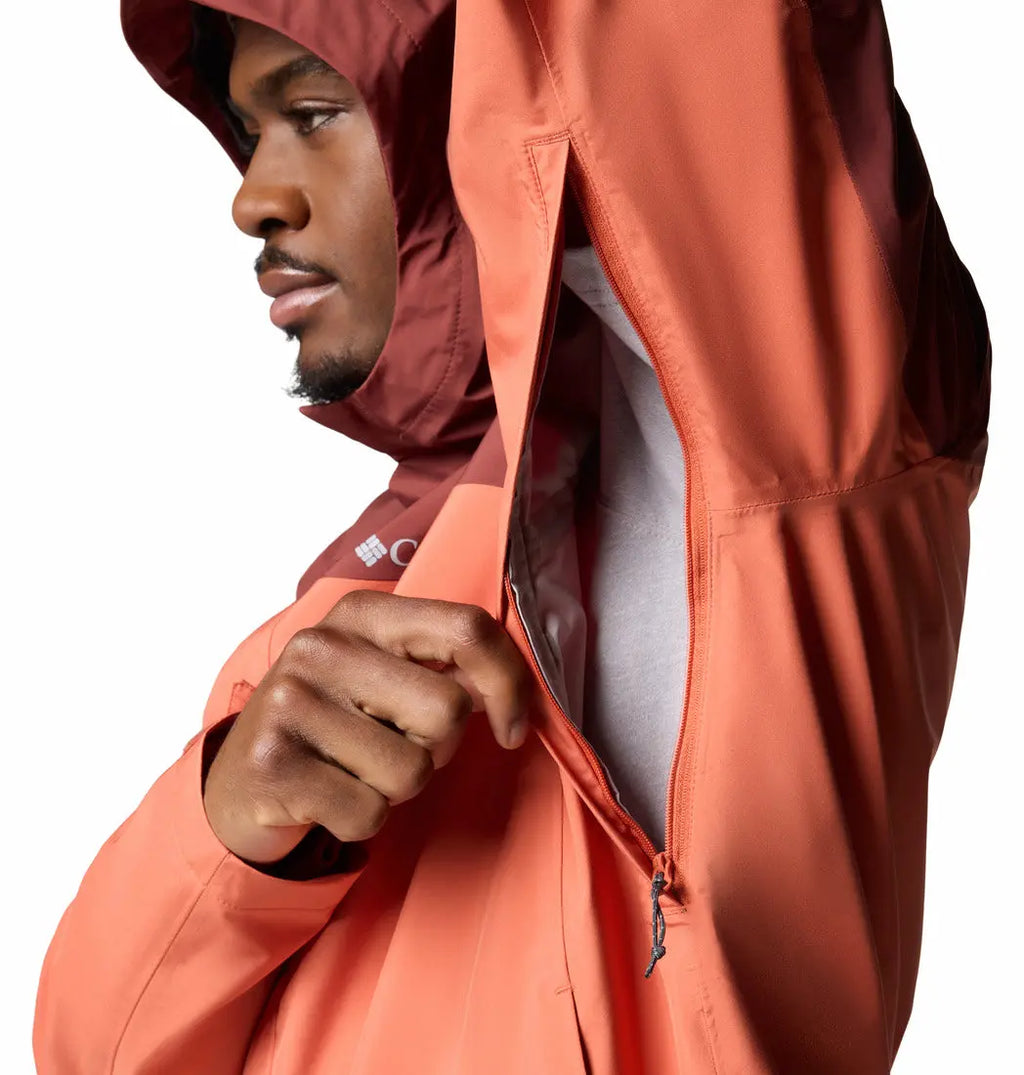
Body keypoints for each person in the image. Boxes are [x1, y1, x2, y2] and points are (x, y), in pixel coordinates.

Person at [34, 0, 992, 1072]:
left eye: (312, 114)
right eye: (250, 134)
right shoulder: (356, 600)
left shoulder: (779, 461)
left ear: (473, 118)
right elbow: (84, 1051)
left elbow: (682, 58)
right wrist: (223, 832)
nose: (252, 196)